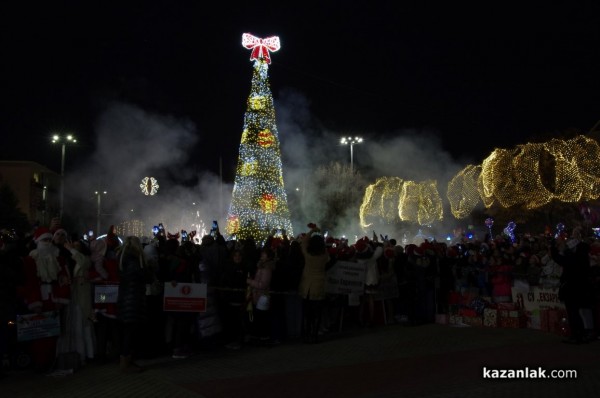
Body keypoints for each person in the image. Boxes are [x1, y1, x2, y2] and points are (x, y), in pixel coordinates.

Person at [18, 226, 71, 372]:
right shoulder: (30, 260)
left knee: (53, 333)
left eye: (49, 239)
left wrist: (61, 299)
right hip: (39, 298)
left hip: (53, 299)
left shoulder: (59, 258)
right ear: (38, 241)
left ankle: (51, 362)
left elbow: (64, 280)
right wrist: (35, 302)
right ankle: (38, 362)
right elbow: (30, 282)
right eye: (44, 240)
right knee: (38, 334)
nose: (47, 243)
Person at [116, 236, 150, 372]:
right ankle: (125, 363)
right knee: (130, 333)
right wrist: (150, 269)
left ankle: (127, 361)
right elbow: (144, 277)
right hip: (133, 301)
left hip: (125, 299)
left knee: (127, 332)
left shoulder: (122, 258)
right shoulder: (134, 260)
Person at [298, 224, 330, 343]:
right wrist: (320, 235)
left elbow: (303, 243)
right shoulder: (324, 255)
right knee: (317, 313)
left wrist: (312, 231)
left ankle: (307, 334)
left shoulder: (308, 255)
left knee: (307, 313)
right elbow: (326, 250)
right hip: (319, 286)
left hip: (307, 287)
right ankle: (315, 335)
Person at [0, 229, 25, 378]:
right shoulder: (6, 261)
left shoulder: (8, 259)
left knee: (5, 332)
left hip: (5, 303)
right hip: (5, 303)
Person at [246, 247, 275, 344]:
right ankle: (261, 337)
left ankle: (263, 337)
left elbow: (262, 284)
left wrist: (250, 282)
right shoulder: (262, 266)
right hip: (259, 294)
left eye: (264, 254)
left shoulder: (266, 268)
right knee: (260, 317)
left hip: (262, 295)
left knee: (261, 318)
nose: (262, 255)